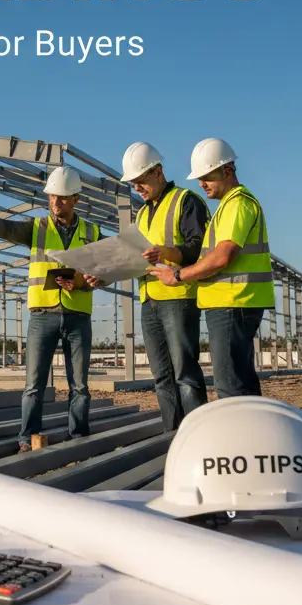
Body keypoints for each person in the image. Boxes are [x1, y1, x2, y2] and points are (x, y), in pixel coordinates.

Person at [0, 164, 100, 452]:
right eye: (51, 197)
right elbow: (7, 229)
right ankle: (27, 437)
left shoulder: (92, 231)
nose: (55, 203)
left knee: (81, 386)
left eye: (61, 198)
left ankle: (79, 437)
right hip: (42, 316)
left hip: (78, 316)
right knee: (34, 384)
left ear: (75, 198)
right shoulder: (37, 228)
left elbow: (101, 272)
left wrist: (83, 284)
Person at [148, 138, 274, 398]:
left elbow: (222, 257)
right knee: (240, 381)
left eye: (207, 177)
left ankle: (238, 437)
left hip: (232, 303)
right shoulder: (229, 206)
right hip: (233, 304)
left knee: (230, 387)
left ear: (227, 171)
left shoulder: (237, 204)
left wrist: (179, 275)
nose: (201, 184)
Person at [117, 141, 210, 431]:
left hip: (179, 298)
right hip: (150, 300)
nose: (137, 188)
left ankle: (198, 437)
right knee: (162, 377)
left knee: (185, 374)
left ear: (158, 172)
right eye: (132, 184)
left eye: (140, 181)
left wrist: (167, 253)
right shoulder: (142, 213)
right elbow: (138, 256)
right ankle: (172, 436)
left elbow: (199, 248)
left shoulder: (187, 200)